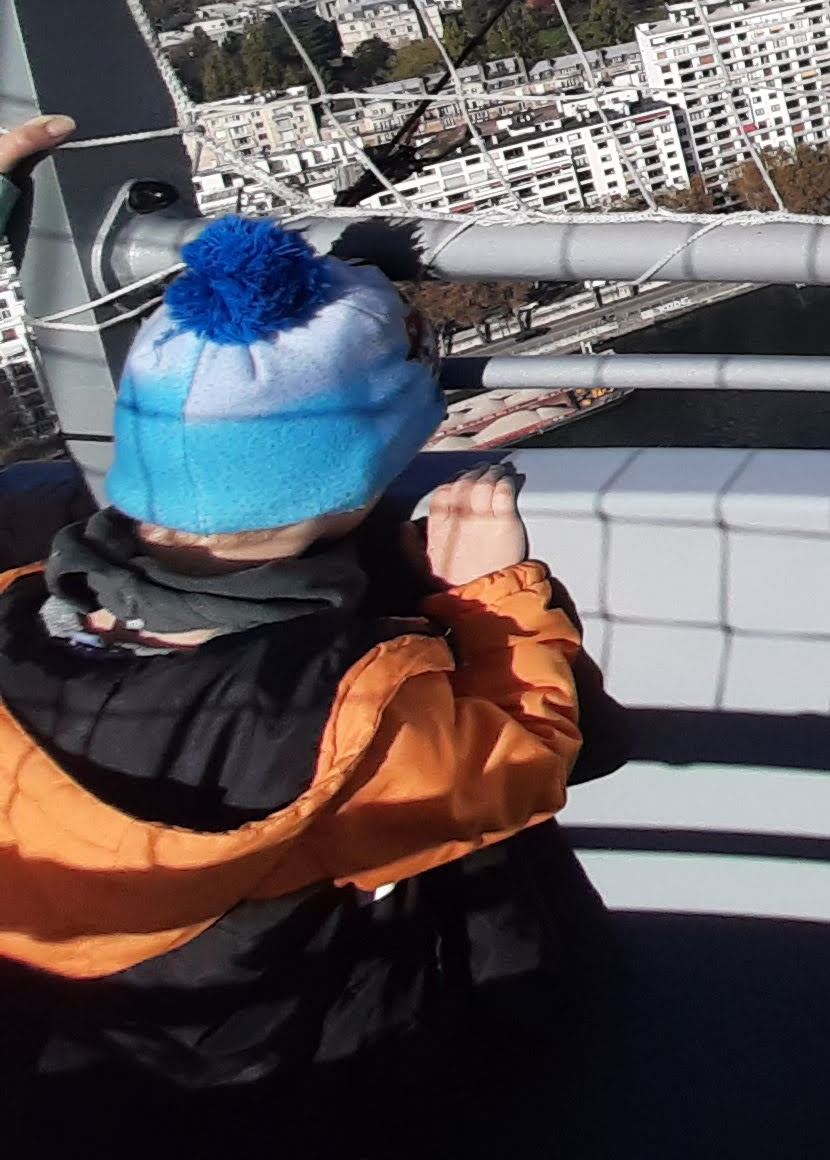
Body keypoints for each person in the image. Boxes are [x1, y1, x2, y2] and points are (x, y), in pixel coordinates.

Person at [0, 210, 602, 1112]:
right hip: (311, 1068)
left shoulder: (15, 612)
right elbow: (525, 764)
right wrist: (493, 600)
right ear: (359, 475)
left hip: (91, 1067)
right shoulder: (343, 704)